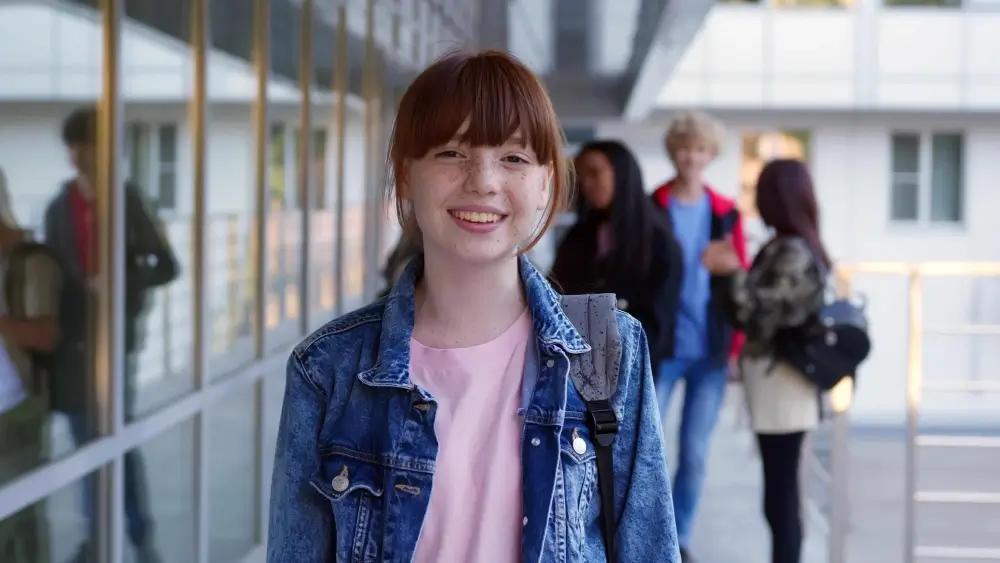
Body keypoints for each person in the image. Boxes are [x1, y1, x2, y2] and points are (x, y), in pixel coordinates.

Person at [267, 49, 680, 563]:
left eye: (514, 158)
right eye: (451, 153)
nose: (483, 180)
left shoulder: (607, 349)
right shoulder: (327, 369)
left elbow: (649, 550)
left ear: (546, 180)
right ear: (406, 175)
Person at [44, 106, 178, 563]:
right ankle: (97, 534)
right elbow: (52, 278)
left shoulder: (127, 200)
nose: (78, 155)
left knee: (117, 437)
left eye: (86, 145)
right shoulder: (58, 208)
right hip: (72, 347)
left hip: (115, 342)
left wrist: (118, 281)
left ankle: (139, 534)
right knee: (86, 440)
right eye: (74, 146)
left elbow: (167, 266)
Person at [702, 159, 828, 563]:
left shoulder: (792, 251)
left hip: (785, 385)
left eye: (763, 189)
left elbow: (756, 314)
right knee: (778, 493)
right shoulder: (785, 245)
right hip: (775, 383)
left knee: (781, 496)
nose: (756, 198)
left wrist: (729, 272)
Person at [648, 109, 748, 562]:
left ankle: (681, 535)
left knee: (694, 453)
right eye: (685, 148)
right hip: (665, 346)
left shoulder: (726, 214)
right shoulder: (654, 206)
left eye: (701, 150)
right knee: (650, 450)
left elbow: (740, 283)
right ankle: (653, 533)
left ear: (711, 155)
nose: (692, 157)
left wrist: (735, 352)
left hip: (710, 348)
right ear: (674, 151)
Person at [550, 140, 682, 368]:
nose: (587, 183)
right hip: (579, 365)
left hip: (632, 367)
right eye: (582, 175)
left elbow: (659, 318)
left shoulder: (658, 241)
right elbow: (556, 290)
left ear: (622, 173)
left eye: (594, 172)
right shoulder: (580, 234)